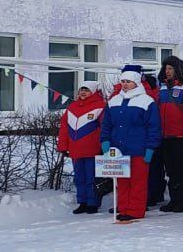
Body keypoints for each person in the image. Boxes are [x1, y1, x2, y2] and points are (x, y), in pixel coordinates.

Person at [100, 71, 161, 222]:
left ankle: (135, 210)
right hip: (118, 150)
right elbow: (106, 124)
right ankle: (123, 208)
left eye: (128, 81)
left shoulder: (146, 101)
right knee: (122, 182)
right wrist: (105, 141)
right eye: (123, 81)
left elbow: (154, 126)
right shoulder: (114, 101)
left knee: (138, 181)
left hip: (138, 148)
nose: (125, 84)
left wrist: (150, 147)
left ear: (136, 82)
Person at [57, 81, 106, 214]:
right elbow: (64, 129)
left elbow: (104, 128)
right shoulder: (72, 107)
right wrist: (63, 146)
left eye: (87, 90)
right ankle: (82, 202)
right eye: (81, 90)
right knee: (79, 178)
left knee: (92, 178)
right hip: (75, 149)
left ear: (94, 92)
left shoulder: (101, 106)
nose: (83, 92)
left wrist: (104, 146)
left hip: (92, 149)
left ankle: (93, 203)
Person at [154, 56, 183, 213]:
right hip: (165, 136)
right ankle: (174, 199)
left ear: (178, 70)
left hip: (180, 136)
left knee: (181, 170)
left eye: (171, 68)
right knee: (170, 171)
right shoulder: (162, 89)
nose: (167, 71)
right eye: (166, 68)